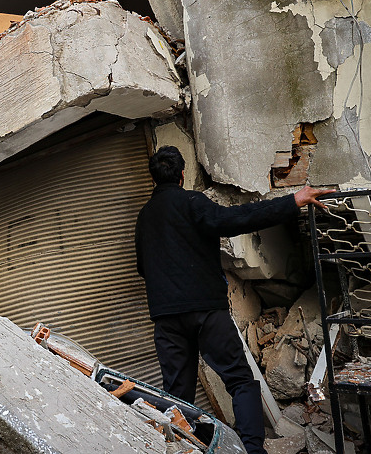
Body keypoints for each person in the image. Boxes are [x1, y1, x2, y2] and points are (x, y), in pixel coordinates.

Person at [134, 146, 332, 454]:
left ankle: (184, 448)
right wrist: (293, 200)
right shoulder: (192, 203)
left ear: (153, 177)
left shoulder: (144, 217)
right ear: (183, 174)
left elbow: (143, 268)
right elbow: (239, 218)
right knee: (240, 381)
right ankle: (252, 449)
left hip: (166, 319)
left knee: (177, 396)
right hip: (206, 312)